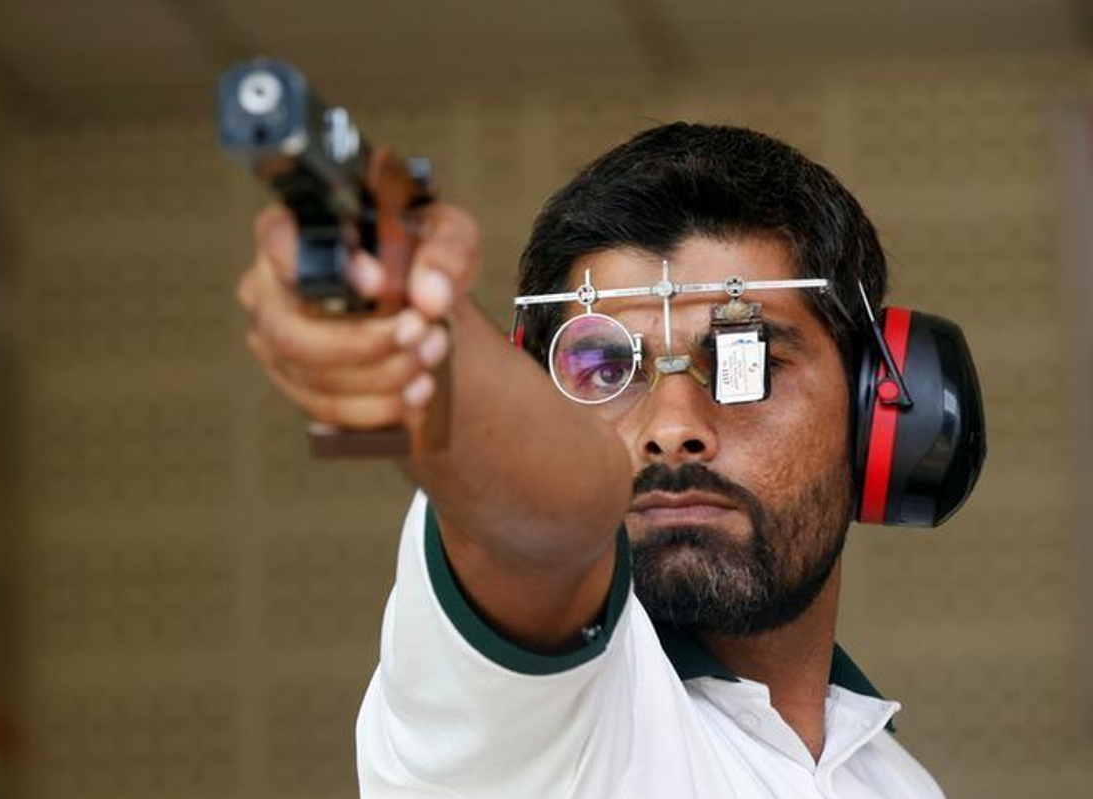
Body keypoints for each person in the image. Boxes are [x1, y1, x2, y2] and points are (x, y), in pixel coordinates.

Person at [237, 123, 948, 798]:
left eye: (747, 359)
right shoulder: (532, 715)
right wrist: (421, 338)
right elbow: (550, 517)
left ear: (879, 404)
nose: (670, 428)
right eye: (601, 366)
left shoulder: (897, 780)